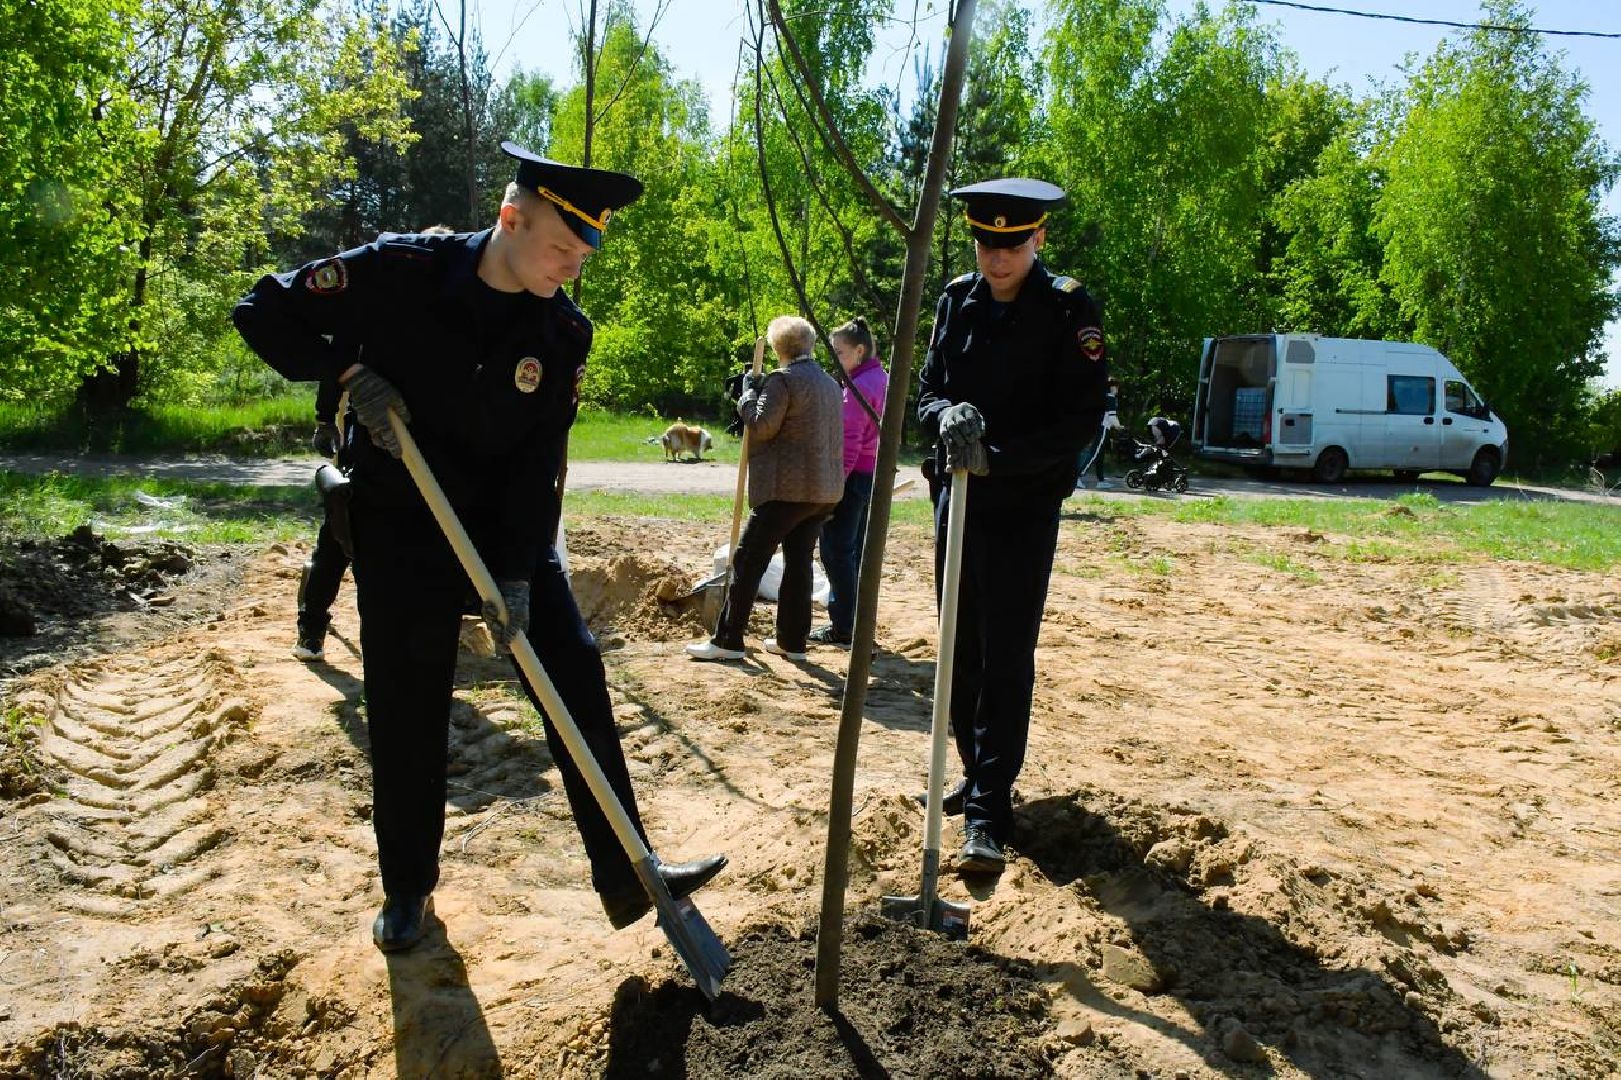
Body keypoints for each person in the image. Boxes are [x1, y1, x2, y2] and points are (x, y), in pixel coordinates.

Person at [233, 141, 726, 953]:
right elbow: (261, 313)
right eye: (560, 247)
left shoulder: (562, 332)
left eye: (583, 254)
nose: (572, 267)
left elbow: (540, 462)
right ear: (510, 218)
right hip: (402, 526)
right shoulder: (401, 270)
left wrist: (517, 575)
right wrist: (346, 372)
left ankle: (628, 871)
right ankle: (409, 892)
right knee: (406, 704)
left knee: (573, 671)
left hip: (506, 529)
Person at [916, 177, 1109, 875]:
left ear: (1038, 239)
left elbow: (1080, 419)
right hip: (956, 499)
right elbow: (929, 388)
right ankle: (974, 773)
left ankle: (990, 810)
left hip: (1021, 504)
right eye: (985, 242)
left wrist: (999, 459)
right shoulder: (955, 300)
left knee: (1004, 655)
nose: (996, 256)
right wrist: (945, 418)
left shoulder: (1065, 311)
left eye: (1012, 243)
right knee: (958, 650)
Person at [686, 315, 843, 663]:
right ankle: (792, 641)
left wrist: (747, 394)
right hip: (824, 490)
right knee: (799, 562)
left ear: (776, 349)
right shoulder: (830, 384)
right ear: (810, 345)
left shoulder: (782, 381)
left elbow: (762, 424)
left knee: (748, 559)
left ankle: (728, 639)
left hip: (786, 490)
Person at [811, 316, 888, 647]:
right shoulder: (878, 377)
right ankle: (853, 621)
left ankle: (844, 627)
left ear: (859, 350)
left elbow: (850, 441)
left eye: (840, 353)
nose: (836, 359)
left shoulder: (858, 387)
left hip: (853, 475)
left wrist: (834, 488)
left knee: (836, 551)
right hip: (867, 473)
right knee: (851, 550)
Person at [291, 372, 351, 661]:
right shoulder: (370, 326)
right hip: (370, 423)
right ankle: (311, 627)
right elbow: (341, 356)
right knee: (341, 528)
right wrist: (325, 416)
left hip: (437, 432)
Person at [1076, 377, 1121, 491]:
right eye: (1117, 387)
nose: (1117, 390)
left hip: (1099, 427)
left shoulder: (1102, 397)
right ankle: (1078, 477)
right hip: (1103, 428)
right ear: (1112, 387)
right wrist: (1118, 426)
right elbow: (1112, 417)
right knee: (1094, 453)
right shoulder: (1110, 398)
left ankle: (1101, 481)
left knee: (1099, 455)